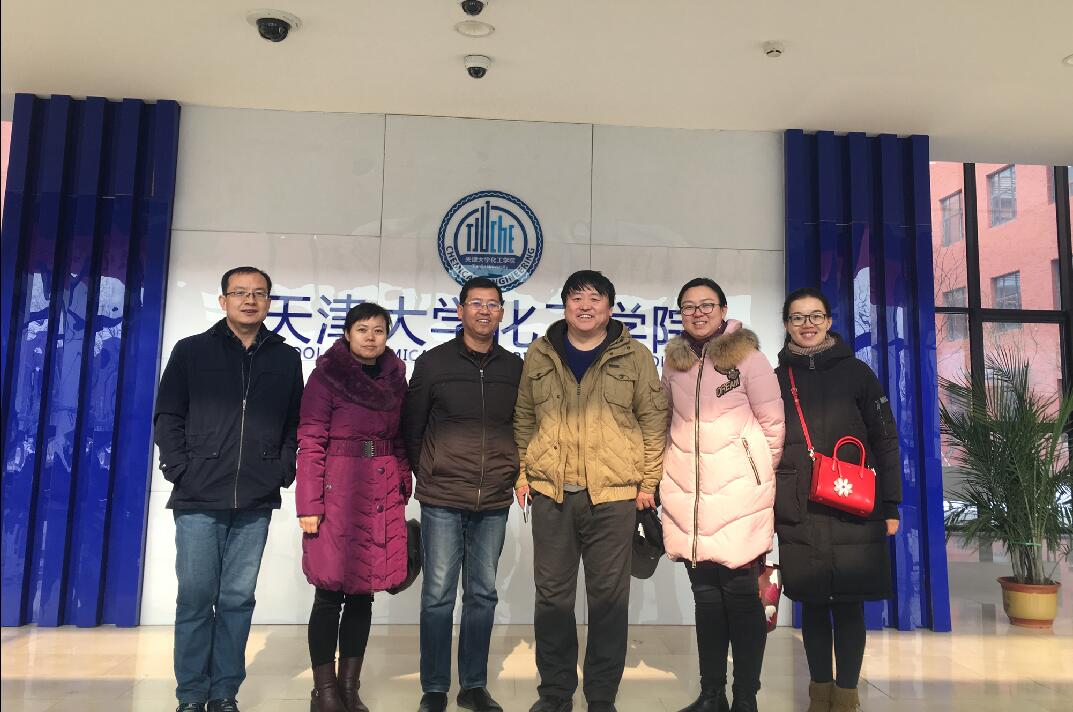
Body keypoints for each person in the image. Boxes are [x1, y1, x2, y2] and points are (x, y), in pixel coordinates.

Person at [514, 270, 668, 712]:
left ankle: (601, 696)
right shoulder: (541, 353)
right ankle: (555, 693)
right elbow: (524, 416)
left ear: (610, 307)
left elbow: (653, 420)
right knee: (552, 599)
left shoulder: (634, 355)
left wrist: (648, 482)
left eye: (595, 298)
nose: (585, 306)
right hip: (552, 494)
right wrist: (523, 474)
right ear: (565, 305)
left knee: (609, 601)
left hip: (614, 497)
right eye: (576, 298)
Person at [154, 266, 304, 712]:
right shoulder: (192, 350)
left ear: (269, 302)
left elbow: (294, 422)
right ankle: (190, 695)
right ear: (223, 301)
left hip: (256, 496)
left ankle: (223, 693)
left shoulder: (285, 357)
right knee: (196, 598)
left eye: (259, 293)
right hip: (198, 493)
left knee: (237, 599)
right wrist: (179, 468)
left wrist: (282, 468)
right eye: (239, 292)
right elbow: (168, 414)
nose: (249, 300)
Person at [773, 288, 901, 712]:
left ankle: (846, 697)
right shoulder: (777, 378)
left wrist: (891, 505)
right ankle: (819, 693)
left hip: (854, 505)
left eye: (815, 316)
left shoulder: (858, 374)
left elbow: (885, 439)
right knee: (811, 605)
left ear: (828, 321)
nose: (807, 324)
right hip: (799, 506)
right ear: (787, 324)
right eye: (797, 317)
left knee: (849, 606)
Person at [659, 278, 784, 712]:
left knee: (743, 599)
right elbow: (667, 421)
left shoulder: (748, 358)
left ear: (724, 309)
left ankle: (745, 697)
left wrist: (755, 476)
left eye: (706, 305)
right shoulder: (673, 362)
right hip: (689, 498)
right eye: (689, 306)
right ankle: (711, 694)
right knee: (706, 600)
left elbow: (773, 427)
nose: (698, 313)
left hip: (739, 498)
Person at [402, 277, 523, 712]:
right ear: (460, 310)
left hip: (493, 497)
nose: (484, 311)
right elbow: (412, 427)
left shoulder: (515, 368)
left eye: (492, 304)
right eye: (476, 303)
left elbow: (523, 426)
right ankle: (434, 687)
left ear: (502, 312)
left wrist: (511, 471)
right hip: (442, 496)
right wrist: (429, 470)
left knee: (482, 595)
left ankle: (473, 685)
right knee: (437, 595)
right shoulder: (433, 363)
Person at [296, 302, 412, 712]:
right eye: (362, 329)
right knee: (329, 594)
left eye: (379, 330)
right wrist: (308, 504)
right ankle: (324, 691)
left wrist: (402, 481)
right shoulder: (326, 377)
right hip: (336, 493)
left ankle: (349, 688)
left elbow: (399, 439)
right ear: (347, 334)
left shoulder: (395, 379)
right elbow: (311, 441)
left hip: (380, 493)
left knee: (364, 595)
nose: (371, 337)